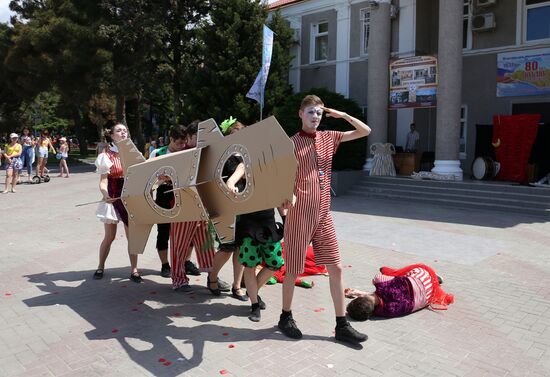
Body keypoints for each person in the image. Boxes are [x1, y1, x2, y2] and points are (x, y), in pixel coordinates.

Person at [278, 95, 371, 344]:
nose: (315, 116)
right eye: (310, 112)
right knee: (294, 270)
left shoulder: (329, 137)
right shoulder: (291, 143)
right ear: (300, 114)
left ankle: (341, 325)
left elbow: (365, 131)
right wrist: (284, 198)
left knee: (336, 268)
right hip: (300, 214)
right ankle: (285, 316)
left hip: (323, 213)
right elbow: (279, 177)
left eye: (319, 112)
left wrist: (341, 115)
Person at [167, 121, 225, 293]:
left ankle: (212, 277)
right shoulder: (180, 155)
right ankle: (178, 279)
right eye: (199, 137)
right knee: (180, 244)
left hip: (203, 207)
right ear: (190, 137)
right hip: (183, 208)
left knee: (206, 243)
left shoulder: (206, 153)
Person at [205, 118, 248, 302]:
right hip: (226, 205)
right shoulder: (222, 156)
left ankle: (237, 286)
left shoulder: (247, 155)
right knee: (227, 247)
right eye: (234, 135)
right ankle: (212, 277)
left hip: (246, 206)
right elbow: (214, 179)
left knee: (242, 248)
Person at [93, 123, 142, 283]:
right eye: (119, 131)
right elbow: (103, 182)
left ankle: (134, 270)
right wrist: (105, 194)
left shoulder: (134, 154)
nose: (123, 133)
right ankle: (100, 266)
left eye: (125, 130)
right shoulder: (106, 156)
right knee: (110, 237)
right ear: (112, 135)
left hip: (130, 200)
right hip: (113, 200)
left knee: (132, 237)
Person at [148, 125, 189, 277]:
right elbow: (148, 174)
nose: (182, 146)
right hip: (163, 193)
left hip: (181, 194)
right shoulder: (157, 153)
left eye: (184, 142)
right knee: (163, 231)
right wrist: (159, 179)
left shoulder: (186, 152)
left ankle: (184, 262)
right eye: (179, 143)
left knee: (183, 231)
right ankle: (165, 265)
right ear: (171, 139)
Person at [345, 264, 454, 320]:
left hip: (428, 297)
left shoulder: (384, 312)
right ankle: (435, 277)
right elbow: (377, 279)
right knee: (395, 275)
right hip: (423, 277)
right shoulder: (380, 282)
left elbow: (375, 301)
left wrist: (358, 293)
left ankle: (435, 280)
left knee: (399, 282)